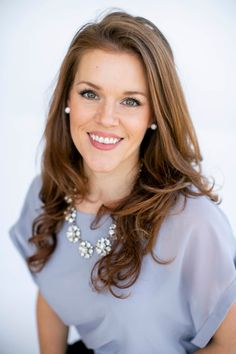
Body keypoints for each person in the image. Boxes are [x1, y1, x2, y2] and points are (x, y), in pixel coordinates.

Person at [10, 10, 236, 354]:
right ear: (67, 100)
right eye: (90, 94)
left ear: (155, 115)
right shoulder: (46, 192)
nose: (106, 118)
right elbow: (52, 294)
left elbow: (230, 343)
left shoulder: (194, 222)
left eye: (130, 101)